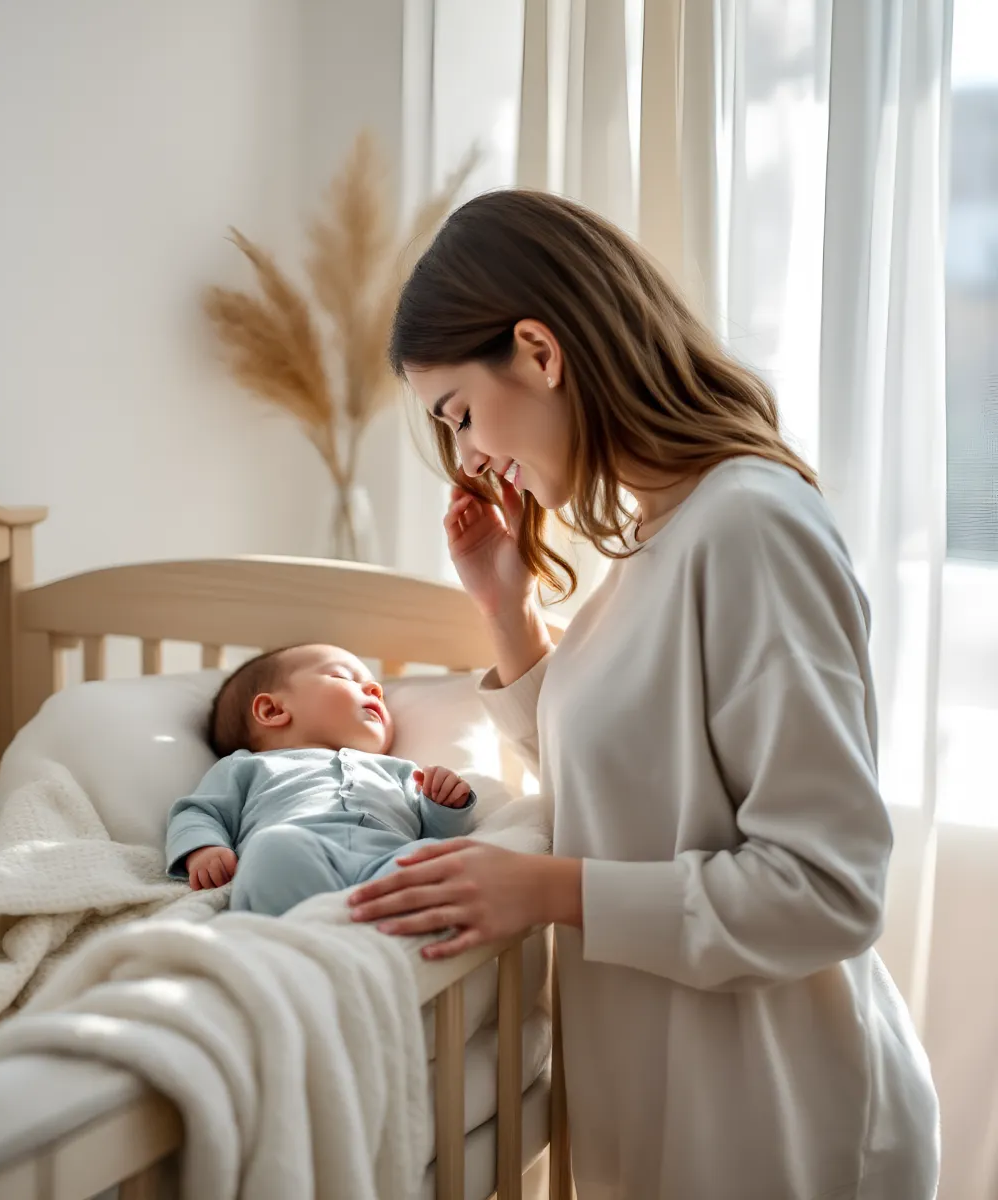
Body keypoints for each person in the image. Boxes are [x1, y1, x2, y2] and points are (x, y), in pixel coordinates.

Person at [347, 190, 940, 1199]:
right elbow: (633, 787)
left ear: (539, 350)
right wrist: (505, 610)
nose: (471, 457)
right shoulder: (659, 536)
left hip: (784, 1123)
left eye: (461, 414)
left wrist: (545, 889)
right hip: (673, 1111)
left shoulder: (748, 527)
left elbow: (830, 887)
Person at [165, 643, 476, 915]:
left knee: (441, 863)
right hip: (299, 858)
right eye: (343, 677)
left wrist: (443, 805)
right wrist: (205, 849)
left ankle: (372, 934)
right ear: (273, 710)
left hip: (388, 862)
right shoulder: (246, 766)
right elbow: (198, 813)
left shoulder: (401, 770)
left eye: (376, 687)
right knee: (274, 847)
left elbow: (436, 836)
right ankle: (302, 935)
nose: (375, 690)